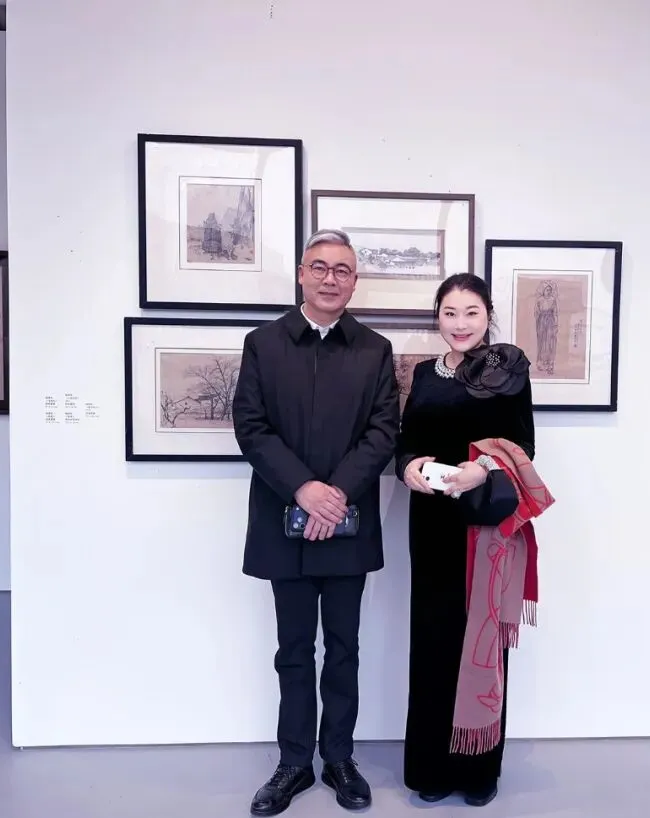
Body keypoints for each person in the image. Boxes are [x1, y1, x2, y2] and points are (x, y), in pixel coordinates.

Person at [232, 228, 401, 815]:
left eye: (343, 270)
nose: (331, 278)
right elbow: (251, 426)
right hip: (283, 520)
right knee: (294, 650)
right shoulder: (263, 343)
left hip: (348, 523)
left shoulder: (374, 350)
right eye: (320, 267)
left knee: (345, 648)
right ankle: (294, 763)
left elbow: (383, 431)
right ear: (302, 274)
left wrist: (336, 495)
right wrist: (304, 490)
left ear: (354, 282)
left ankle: (339, 759)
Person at [394, 273, 554, 807]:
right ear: (436, 317)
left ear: (488, 315)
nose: (459, 324)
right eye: (449, 313)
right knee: (433, 638)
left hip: (485, 524)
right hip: (431, 522)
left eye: (471, 313)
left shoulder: (507, 368)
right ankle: (432, 767)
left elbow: (524, 442)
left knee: (482, 639)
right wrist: (408, 466)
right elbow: (406, 441)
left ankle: (480, 769)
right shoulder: (423, 373)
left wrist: (481, 468)